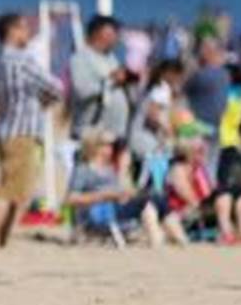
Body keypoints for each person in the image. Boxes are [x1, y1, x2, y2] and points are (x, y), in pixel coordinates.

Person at [0, 12, 63, 248]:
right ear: (12, 31)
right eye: (25, 28)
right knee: (10, 191)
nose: (28, 33)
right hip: (23, 130)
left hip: (5, 127)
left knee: (12, 189)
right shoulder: (21, 60)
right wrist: (45, 100)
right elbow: (55, 87)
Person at [65, 130, 179, 247]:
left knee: (155, 198)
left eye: (112, 145)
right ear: (94, 146)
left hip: (116, 207)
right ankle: (162, 241)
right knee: (148, 200)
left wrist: (126, 187)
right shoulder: (83, 170)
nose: (111, 148)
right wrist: (104, 195)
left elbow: (119, 191)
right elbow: (71, 199)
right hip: (98, 212)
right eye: (107, 144)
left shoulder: (109, 169)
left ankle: (177, 239)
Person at [70, 15, 131, 141]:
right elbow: (82, 90)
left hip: (114, 135)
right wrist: (111, 80)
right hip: (91, 135)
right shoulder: (80, 58)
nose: (116, 38)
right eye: (112, 33)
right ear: (98, 33)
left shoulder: (111, 59)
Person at [183, 36, 230, 175]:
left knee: (195, 168)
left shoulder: (203, 75)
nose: (200, 53)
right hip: (214, 127)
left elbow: (184, 88)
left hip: (198, 127)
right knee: (209, 170)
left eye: (203, 50)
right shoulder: (224, 74)